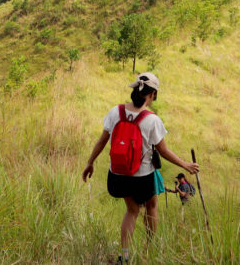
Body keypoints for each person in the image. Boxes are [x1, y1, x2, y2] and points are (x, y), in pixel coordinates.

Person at [82, 72, 199, 264]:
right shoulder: (152, 120)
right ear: (152, 95)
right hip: (142, 177)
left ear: (135, 90)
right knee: (151, 207)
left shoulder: (115, 112)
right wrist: (185, 165)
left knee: (132, 211)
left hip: (118, 175)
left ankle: (125, 256)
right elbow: (163, 151)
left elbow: (102, 140)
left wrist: (90, 163)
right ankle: (151, 251)